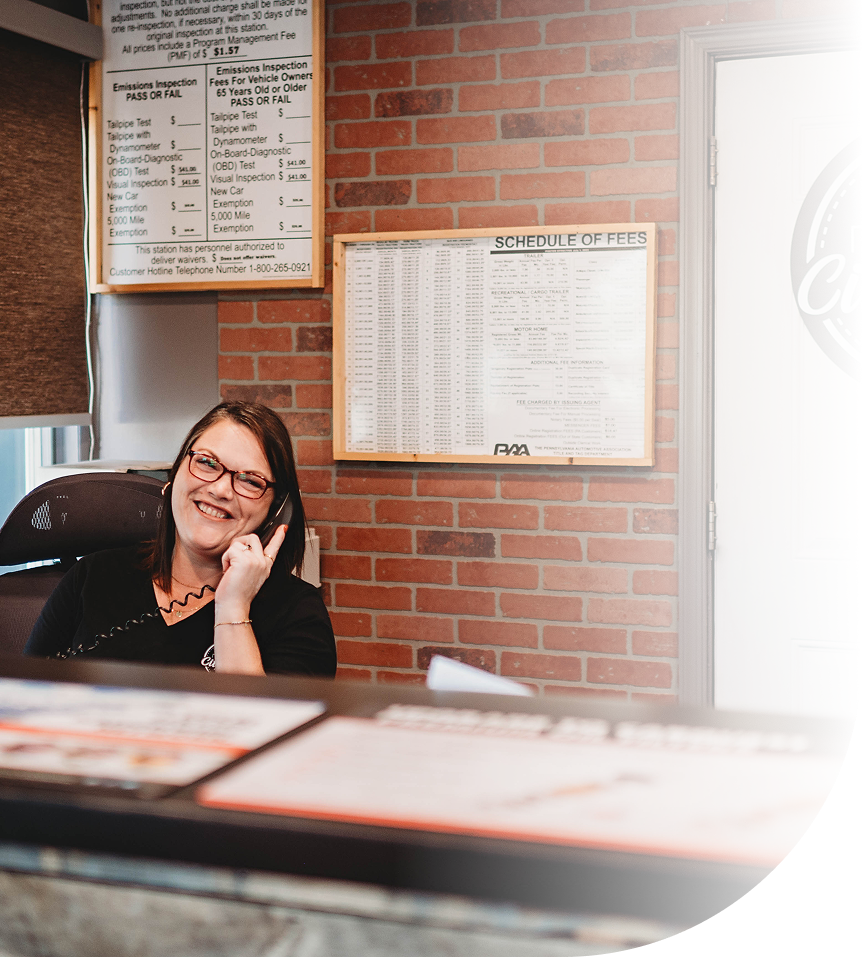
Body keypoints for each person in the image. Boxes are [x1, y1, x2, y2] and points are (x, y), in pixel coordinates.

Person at [25, 402, 336, 677]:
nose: (220, 490)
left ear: (275, 512)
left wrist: (233, 608)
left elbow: (263, 729)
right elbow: (20, 701)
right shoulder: (93, 576)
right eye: (207, 463)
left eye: (249, 480)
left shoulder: (297, 613)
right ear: (174, 477)